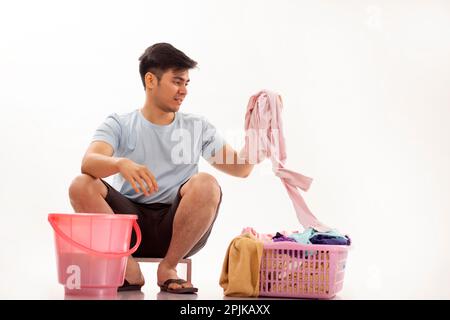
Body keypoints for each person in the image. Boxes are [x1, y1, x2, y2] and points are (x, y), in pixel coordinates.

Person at [68, 43, 255, 294]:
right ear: (150, 80)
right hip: (128, 227)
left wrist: (258, 137)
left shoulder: (196, 126)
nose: (184, 91)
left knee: (206, 182)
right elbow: (88, 162)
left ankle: (168, 267)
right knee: (81, 184)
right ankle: (127, 268)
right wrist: (120, 163)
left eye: (187, 83)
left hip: (178, 228)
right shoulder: (120, 124)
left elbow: (241, 169)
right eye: (177, 81)